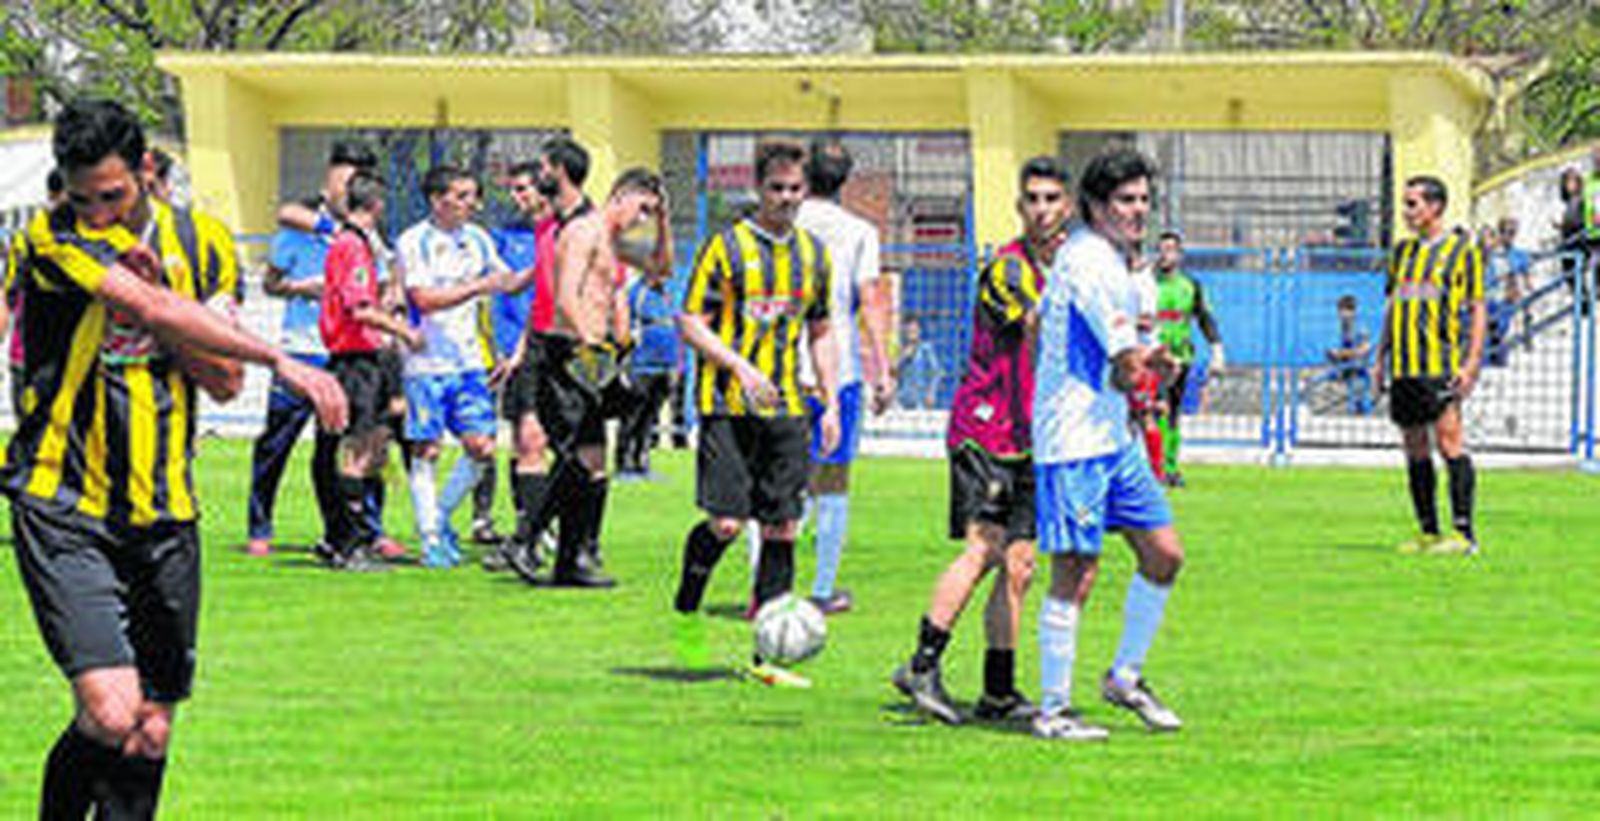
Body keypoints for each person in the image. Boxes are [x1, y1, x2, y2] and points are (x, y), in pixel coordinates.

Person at [6, 97, 346, 820]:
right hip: (63, 500)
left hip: (165, 509)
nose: (96, 212)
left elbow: (221, 382)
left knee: (151, 730)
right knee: (109, 707)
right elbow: (152, 310)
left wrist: (162, 298)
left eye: (113, 195)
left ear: (148, 171)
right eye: (83, 197)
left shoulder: (207, 243)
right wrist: (281, 359)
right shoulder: (48, 235)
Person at [891, 156, 1069, 725]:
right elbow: (1040, 327)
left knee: (1019, 565)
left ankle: (998, 689)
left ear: (1067, 208)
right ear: (1020, 208)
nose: (1041, 209)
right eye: (1032, 199)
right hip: (986, 430)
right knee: (985, 549)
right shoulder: (1008, 270)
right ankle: (922, 663)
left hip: (1030, 438)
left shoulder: (1063, 269)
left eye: (1051, 199)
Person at [670, 141, 839, 688]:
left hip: (789, 407)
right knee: (725, 524)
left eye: (795, 189)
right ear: (757, 189)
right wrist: (739, 367)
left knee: (782, 526)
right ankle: (689, 597)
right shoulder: (725, 248)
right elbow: (690, 320)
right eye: (776, 188)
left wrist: (831, 401)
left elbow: (821, 330)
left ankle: (768, 659)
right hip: (726, 405)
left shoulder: (814, 254)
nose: (786, 198)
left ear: (806, 191)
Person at [1031, 147, 1186, 741]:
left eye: (1144, 199)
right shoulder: (1090, 263)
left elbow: (1125, 369)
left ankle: (1124, 676)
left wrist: (1153, 366)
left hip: (1111, 436)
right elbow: (1124, 361)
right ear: (1096, 206)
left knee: (1164, 554)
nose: (1138, 210)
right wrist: (1153, 364)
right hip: (1072, 440)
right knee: (1077, 571)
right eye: (1125, 200)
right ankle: (1053, 710)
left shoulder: (1118, 265)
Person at [496, 150, 672, 587]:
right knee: (577, 455)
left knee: (593, 461)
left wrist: (663, 221)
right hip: (566, 353)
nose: (643, 218)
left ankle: (571, 560)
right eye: (643, 208)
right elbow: (565, 297)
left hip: (592, 354)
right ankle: (527, 537)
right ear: (621, 197)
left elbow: (660, 268)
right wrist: (589, 347)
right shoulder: (583, 231)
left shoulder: (617, 241)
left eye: (651, 211)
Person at [244, 142, 377, 559]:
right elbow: (271, 283)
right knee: (276, 443)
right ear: (329, 179)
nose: (347, 190)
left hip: (342, 354)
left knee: (348, 447)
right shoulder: (302, 226)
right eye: (344, 181)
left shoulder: (366, 234)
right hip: (299, 351)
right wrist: (303, 288)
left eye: (357, 183)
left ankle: (356, 530)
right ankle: (260, 525)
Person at [396, 165, 531, 568]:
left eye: (473, 195)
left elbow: (506, 282)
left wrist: (547, 263)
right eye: (463, 195)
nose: (473, 203)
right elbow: (421, 298)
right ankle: (431, 538)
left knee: (482, 447)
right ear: (438, 200)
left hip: (470, 362)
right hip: (425, 363)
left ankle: (437, 518)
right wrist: (478, 286)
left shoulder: (478, 239)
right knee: (428, 449)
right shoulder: (414, 241)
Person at [794, 139, 892, 615]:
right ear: (845, 180)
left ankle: (765, 588)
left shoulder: (779, 221)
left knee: (778, 479)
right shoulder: (859, 231)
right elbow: (870, 298)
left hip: (781, 368)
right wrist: (882, 368)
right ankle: (822, 588)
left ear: (805, 174)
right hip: (840, 370)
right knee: (834, 478)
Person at [1373, 176, 1486, 555]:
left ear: (1435, 207)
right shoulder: (1402, 253)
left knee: (1450, 442)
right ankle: (1429, 531)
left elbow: (1478, 308)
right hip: (1404, 368)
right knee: (1414, 448)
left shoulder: (1461, 252)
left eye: (1412, 204)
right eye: (1405, 204)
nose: (1406, 212)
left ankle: (1463, 534)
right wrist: (1379, 358)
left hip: (1440, 365)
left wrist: (1471, 363)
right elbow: (1393, 307)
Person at [320, 170, 425, 570]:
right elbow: (359, 308)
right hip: (354, 361)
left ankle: (356, 536)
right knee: (358, 452)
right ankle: (348, 544)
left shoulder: (356, 244)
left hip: (369, 360)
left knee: (376, 447)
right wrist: (404, 331)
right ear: (378, 205)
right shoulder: (351, 246)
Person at [1151, 231, 1224, 486]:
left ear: (1179, 255)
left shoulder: (1190, 285)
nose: (1165, 254)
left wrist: (1216, 349)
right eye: (1161, 249)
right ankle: (1155, 467)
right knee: (1156, 410)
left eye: (1170, 249)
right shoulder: (1146, 283)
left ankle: (1170, 467)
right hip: (1153, 359)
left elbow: (1204, 318)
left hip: (1181, 357)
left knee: (1173, 413)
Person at [1, 168, 65, 417]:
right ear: (52, 195)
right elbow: (7, 297)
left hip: (80, 362)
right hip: (29, 362)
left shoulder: (98, 240)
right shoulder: (26, 241)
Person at [616, 271, 680, 479]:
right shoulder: (636, 293)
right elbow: (624, 326)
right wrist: (624, 359)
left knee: (650, 418)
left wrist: (675, 366)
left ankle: (642, 463)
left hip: (664, 366)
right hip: (641, 365)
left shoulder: (668, 296)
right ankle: (624, 464)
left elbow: (675, 328)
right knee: (632, 415)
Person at [1310, 295, 1374, 415]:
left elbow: (1365, 350)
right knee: (1314, 382)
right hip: (1341, 369)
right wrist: (1333, 355)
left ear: (1354, 312)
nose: (1345, 314)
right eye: (1342, 310)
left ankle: (1359, 409)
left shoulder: (1361, 329)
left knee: (1358, 393)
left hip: (1357, 371)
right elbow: (1330, 352)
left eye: (1349, 310)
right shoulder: (1338, 329)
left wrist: (1342, 354)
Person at [896, 317, 942, 410]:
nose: (912, 333)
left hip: (920, 397)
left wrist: (931, 393)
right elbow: (892, 372)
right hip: (903, 397)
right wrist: (902, 357)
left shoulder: (926, 349)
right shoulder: (901, 349)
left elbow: (936, 372)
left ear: (919, 331)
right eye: (909, 331)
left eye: (914, 330)